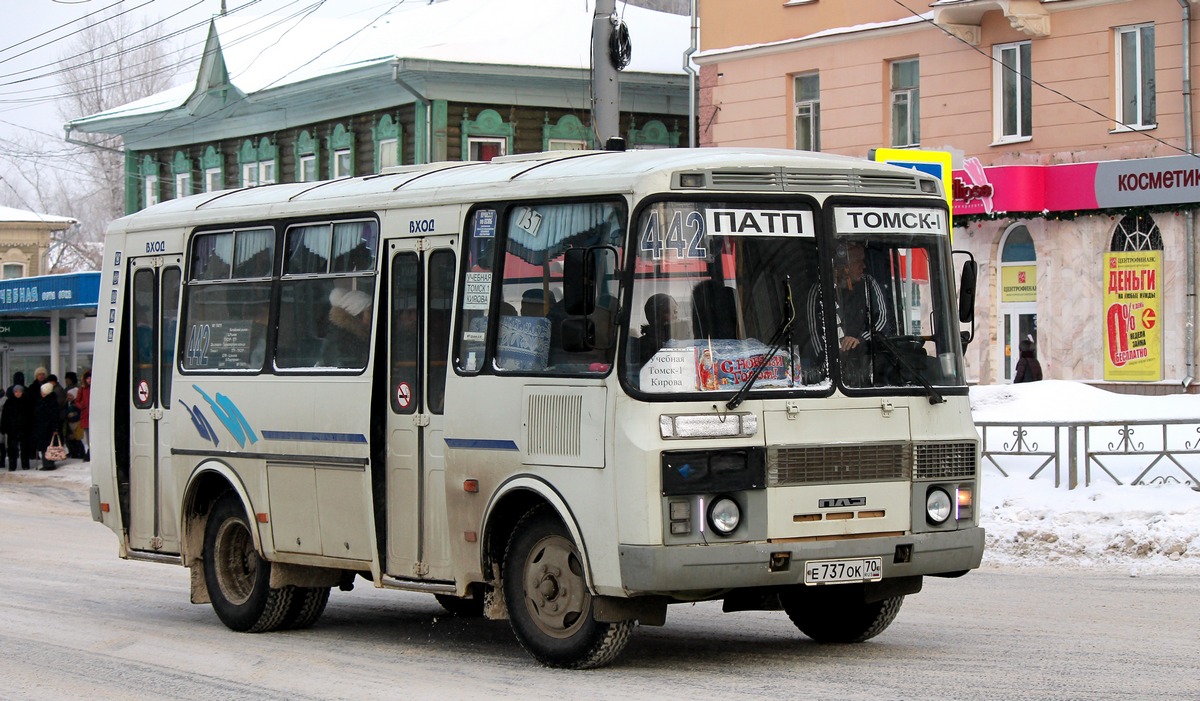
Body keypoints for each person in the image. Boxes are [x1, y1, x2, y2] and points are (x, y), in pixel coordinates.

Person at [806, 242, 891, 384]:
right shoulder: (818, 291)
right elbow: (815, 334)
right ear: (843, 267)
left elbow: (881, 321)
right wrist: (831, 358)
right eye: (859, 262)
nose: (864, 266)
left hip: (867, 366)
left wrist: (859, 339)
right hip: (829, 374)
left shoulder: (869, 284)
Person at [637, 293, 681, 363]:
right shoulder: (640, 346)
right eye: (667, 311)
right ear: (654, 316)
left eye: (676, 311)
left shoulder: (681, 342)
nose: (675, 316)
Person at [34, 382, 61, 470]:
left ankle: (48, 464)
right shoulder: (46, 400)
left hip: (48, 427)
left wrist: (55, 427)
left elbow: (54, 416)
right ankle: (47, 463)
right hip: (43, 427)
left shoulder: (50, 401)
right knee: (46, 446)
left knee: (47, 446)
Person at [78, 371, 91, 461]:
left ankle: (90, 451)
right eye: (87, 378)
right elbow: (77, 401)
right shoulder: (82, 389)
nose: (89, 380)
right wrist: (82, 407)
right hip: (86, 414)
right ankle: (89, 451)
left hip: (91, 414)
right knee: (87, 435)